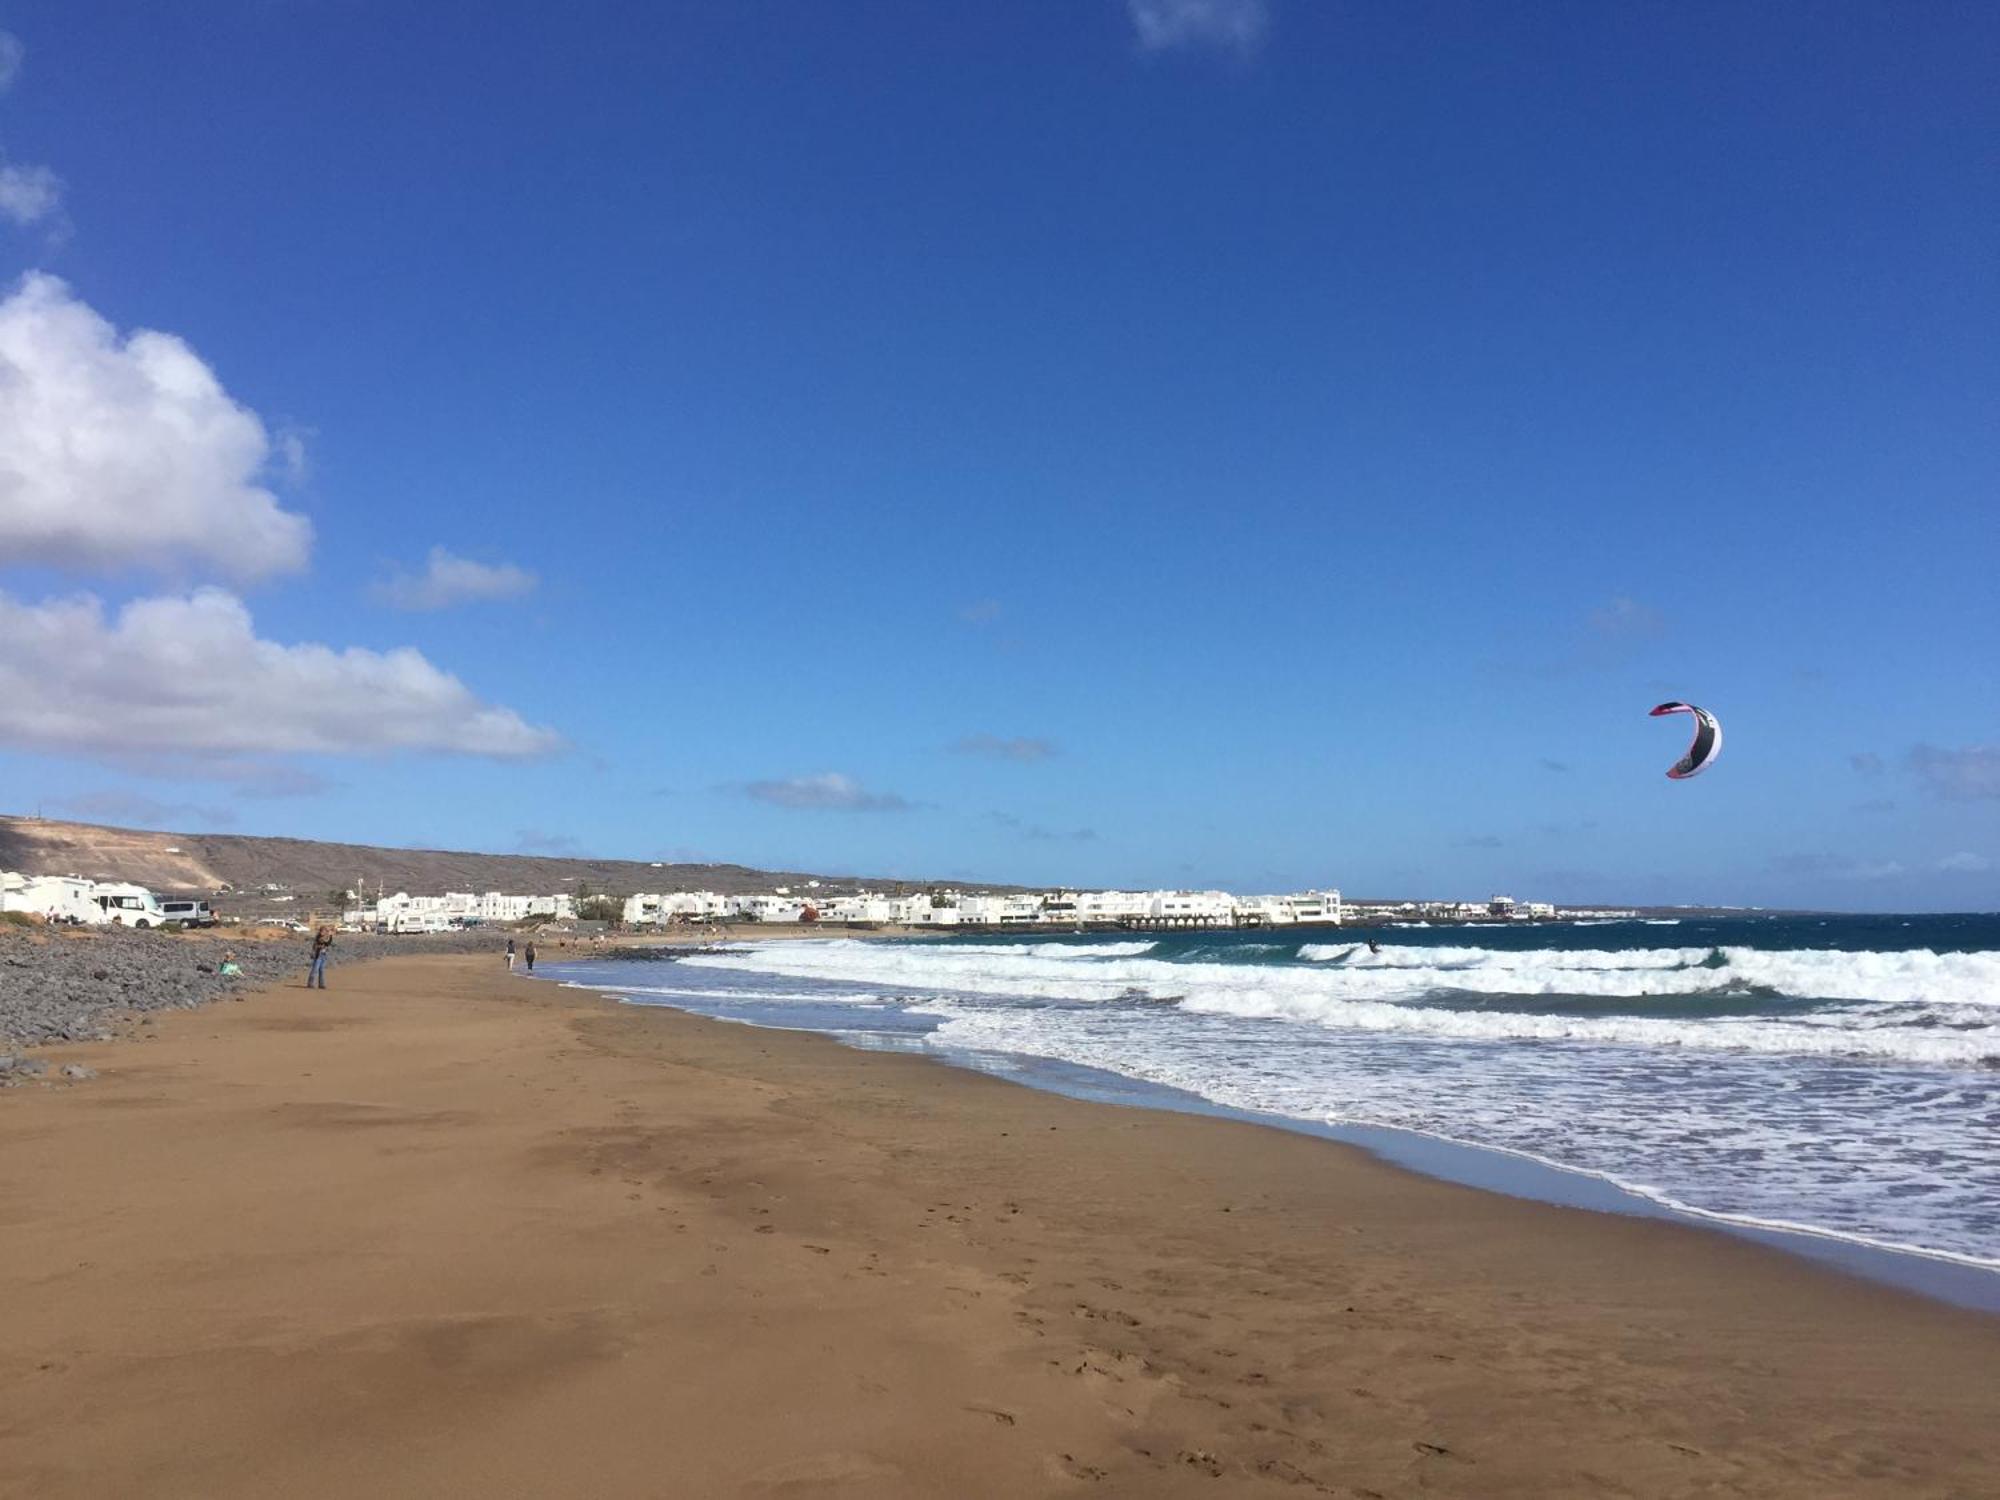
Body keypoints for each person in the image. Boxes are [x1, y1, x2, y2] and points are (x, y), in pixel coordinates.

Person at [307, 925, 334, 989]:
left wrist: (330, 936)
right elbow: (322, 941)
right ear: (321, 931)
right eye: (324, 931)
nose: (324, 932)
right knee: (315, 969)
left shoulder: (325, 936)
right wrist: (329, 935)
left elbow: (328, 943)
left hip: (323, 955)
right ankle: (310, 983)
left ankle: (321, 984)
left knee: (321, 970)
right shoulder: (318, 937)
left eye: (325, 931)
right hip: (318, 955)